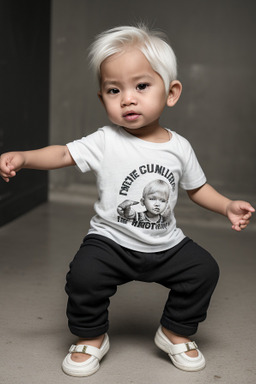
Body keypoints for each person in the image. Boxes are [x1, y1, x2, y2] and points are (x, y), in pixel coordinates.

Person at [0, 25, 254, 376]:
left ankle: (174, 332)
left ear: (171, 92)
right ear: (102, 98)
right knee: (84, 276)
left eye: (141, 86)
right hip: (111, 241)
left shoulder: (179, 148)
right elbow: (61, 154)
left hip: (165, 244)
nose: (127, 98)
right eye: (113, 90)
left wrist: (226, 205)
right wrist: (25, 158)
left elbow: (197, 189)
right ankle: (91, 337)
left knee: (204, 270)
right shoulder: (105, 140)